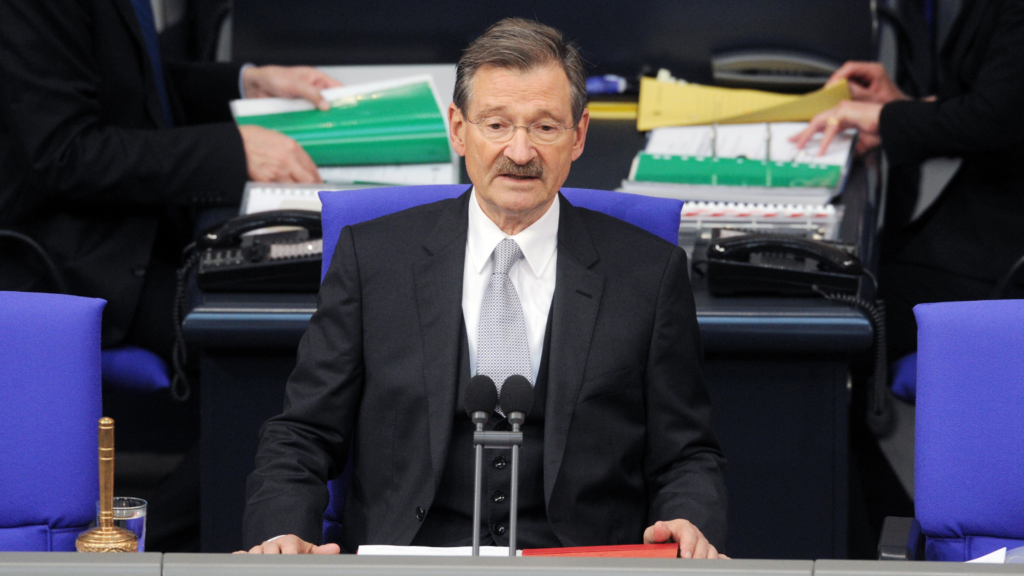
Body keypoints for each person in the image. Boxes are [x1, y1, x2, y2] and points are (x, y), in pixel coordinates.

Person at [240, 18, 728, 559]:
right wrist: (281, 533)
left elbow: (686, 455)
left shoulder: (649, 273)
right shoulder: (373, 260)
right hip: (405, 562)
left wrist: (688, 521)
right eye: (497, 125)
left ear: (579, 135)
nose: (520, 152)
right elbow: (302, 435)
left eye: (545, 128)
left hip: (580, 566)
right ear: (457, 128)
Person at [0, 0, 338, 359]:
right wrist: (233, 152)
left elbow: (133, 86)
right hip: (72, 255)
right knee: (291, 338)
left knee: (321, 304)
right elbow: (66, 154)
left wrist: (245, 84)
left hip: (138, 220)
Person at [791, 0, 1024, 360]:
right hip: (980, 211)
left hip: (1003, 244)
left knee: (844, 305)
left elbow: (993, 119)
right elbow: (998, 96)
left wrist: (886, 118)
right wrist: (904, 106)